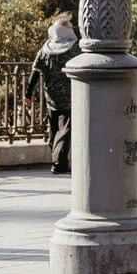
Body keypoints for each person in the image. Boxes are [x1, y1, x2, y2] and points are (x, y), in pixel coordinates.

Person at [26, 14, 82, 176]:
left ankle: (58, 159)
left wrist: (28, 94)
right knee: (66, 130)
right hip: (71, 97)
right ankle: (59, 161)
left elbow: (35, 72)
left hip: (50, 97)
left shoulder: (45, 49)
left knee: (54, 129)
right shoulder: (75, 48)